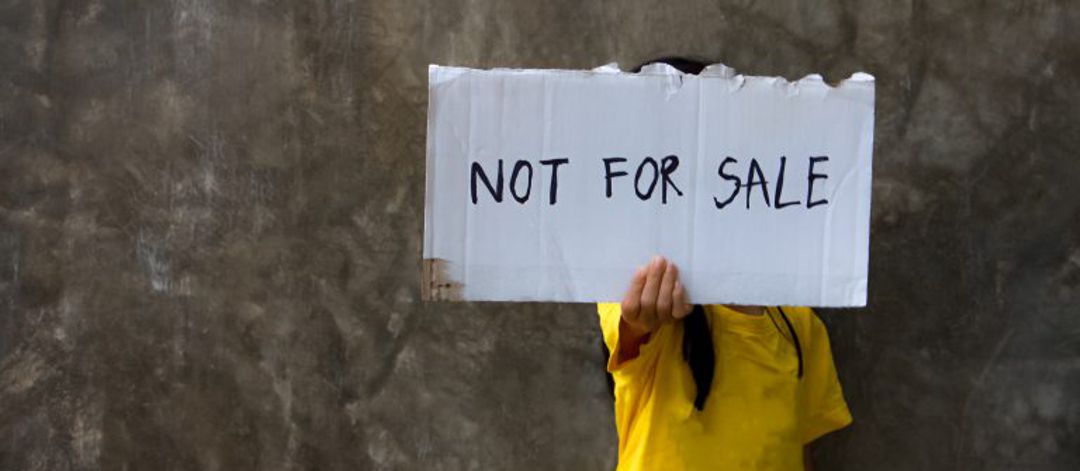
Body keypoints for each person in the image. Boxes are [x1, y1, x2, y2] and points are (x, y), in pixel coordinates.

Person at [598, 256, 851, 470]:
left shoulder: (799, 322)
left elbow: (799, 446)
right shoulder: (649, 298)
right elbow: (632, 321)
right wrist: (641, 316)